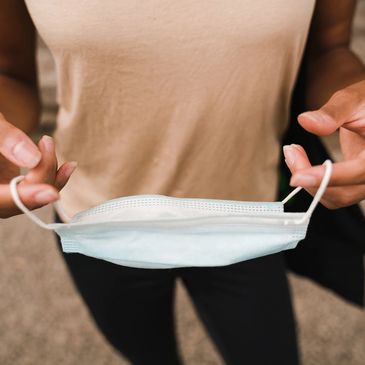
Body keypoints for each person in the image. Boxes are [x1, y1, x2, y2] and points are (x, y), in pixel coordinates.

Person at [0, 1, 364, 364]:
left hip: (247, 213)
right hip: (99, 217)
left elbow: (330, 48)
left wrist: (354, 99)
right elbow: (10, 72)